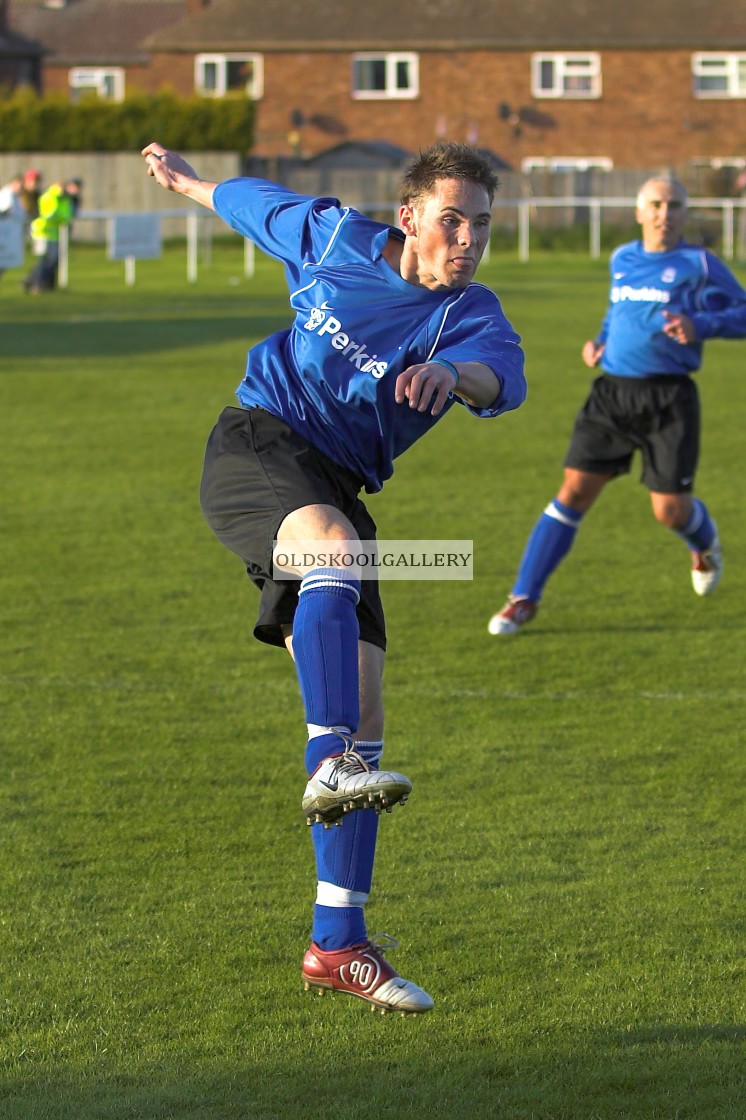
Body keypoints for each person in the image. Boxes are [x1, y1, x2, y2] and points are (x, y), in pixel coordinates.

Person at [142, 139, 526, 1014]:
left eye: (482, 224)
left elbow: (503, 380)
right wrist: (192, 184)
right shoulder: (333, 239)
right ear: (410, 217)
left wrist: (451, 374)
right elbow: (249, 204)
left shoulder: (467, 314)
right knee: (333, 551)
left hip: (341, 485)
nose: (467, 238)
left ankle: (338, 945)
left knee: (367, 699)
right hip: (258, 440)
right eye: (452, 219)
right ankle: (330, 766)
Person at [488, 175, 746, 637]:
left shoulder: (700, 264)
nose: (665, 213)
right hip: (611, 394)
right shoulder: (622, 258)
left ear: (685, 214)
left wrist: (701, 324)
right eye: (657, 204)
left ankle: (704, 542)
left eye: (675, 205)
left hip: (670, 398)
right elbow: (615, 311)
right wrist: (601, 341)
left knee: (669, 510)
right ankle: (523, 597)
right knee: (574, 492)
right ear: (639, 211)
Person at [22, 177, 79, 293]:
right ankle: (35, 282)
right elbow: (50, 215)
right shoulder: (48, 197)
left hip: (56, 234)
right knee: (46, 258)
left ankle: (43, 283)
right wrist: (62, 219)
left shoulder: (65, 199)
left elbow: (67, 215)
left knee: (53, 259)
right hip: (44, 232)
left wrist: (63, 218)